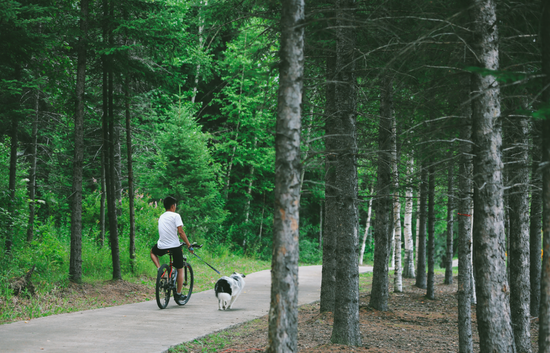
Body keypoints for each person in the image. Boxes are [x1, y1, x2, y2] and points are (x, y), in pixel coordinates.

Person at [150, 196, 194, 303]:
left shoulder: (161, 217)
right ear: (173, 206)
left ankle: (160, 269)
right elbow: (181, 232)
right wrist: (189, 245)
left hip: (161, 246)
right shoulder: (176, 216)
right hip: (174, 246)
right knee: (180, 269)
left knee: (152, 252)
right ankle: (178, 294)